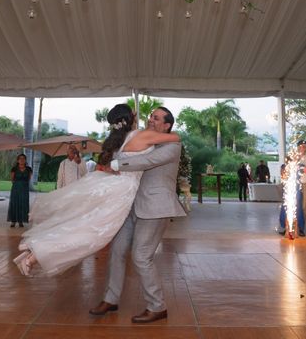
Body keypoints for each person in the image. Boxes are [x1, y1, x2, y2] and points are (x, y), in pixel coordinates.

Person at [15, 104, 183, 324]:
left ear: (168, 124)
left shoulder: (172, 145)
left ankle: (157, 306)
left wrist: (116, 163)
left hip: (154, 207)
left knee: (141, 256)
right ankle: (111, 299)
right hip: (127, 203)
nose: (152, 119)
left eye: (157, 118)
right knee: (116, 250)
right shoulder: (139, 136)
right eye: (151, 116)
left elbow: (147, 161)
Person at [278, 140, 306, 237]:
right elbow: (283, 176)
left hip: (298, 189)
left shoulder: (302, 165)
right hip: (288, 189)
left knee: (298, 208)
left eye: (305, 146)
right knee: (286, 207)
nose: (295, 158)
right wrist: (284, 174)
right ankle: (286, 227)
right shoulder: (287, 166)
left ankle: (299, 229)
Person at [8, 153, 31, 227]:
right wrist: (18, 184)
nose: (22, 160)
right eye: (20, 158)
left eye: (23, 158)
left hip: (24, 189)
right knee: (14, 203)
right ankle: (13, 221)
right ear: (18, 160)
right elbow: (12, 179)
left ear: (25, 160)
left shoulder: (29, 169)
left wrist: (23, 184)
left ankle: (21, 221)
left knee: (23, 204)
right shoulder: (14, 169)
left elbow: (29, 179)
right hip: (16, 188)